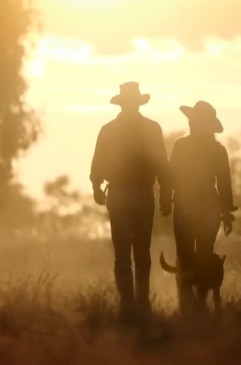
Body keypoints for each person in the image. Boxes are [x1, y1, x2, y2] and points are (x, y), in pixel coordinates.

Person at [90, 81, 170, 324]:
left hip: (121, 195)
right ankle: (141, 305)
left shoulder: (108, 129)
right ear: (135, 103)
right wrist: (166, 196)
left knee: (122, 253)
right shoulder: (152, 129)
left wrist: (96, 188)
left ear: (123, 103)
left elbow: (97, 163)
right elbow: (162, 166)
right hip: (142, 195)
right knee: (141, 252)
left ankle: (128, 306)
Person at [160, 100, 237, 313]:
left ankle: (187, 306)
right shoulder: (217, 150)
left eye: (194, 120)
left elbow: (170, 176)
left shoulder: (182, 145)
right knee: (204, 254)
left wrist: (166, 199)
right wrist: (226, 212)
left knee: (185, 256)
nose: (192, 123)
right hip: (209, 208)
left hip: (184, 206)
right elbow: (224, 185)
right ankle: (200, 304)